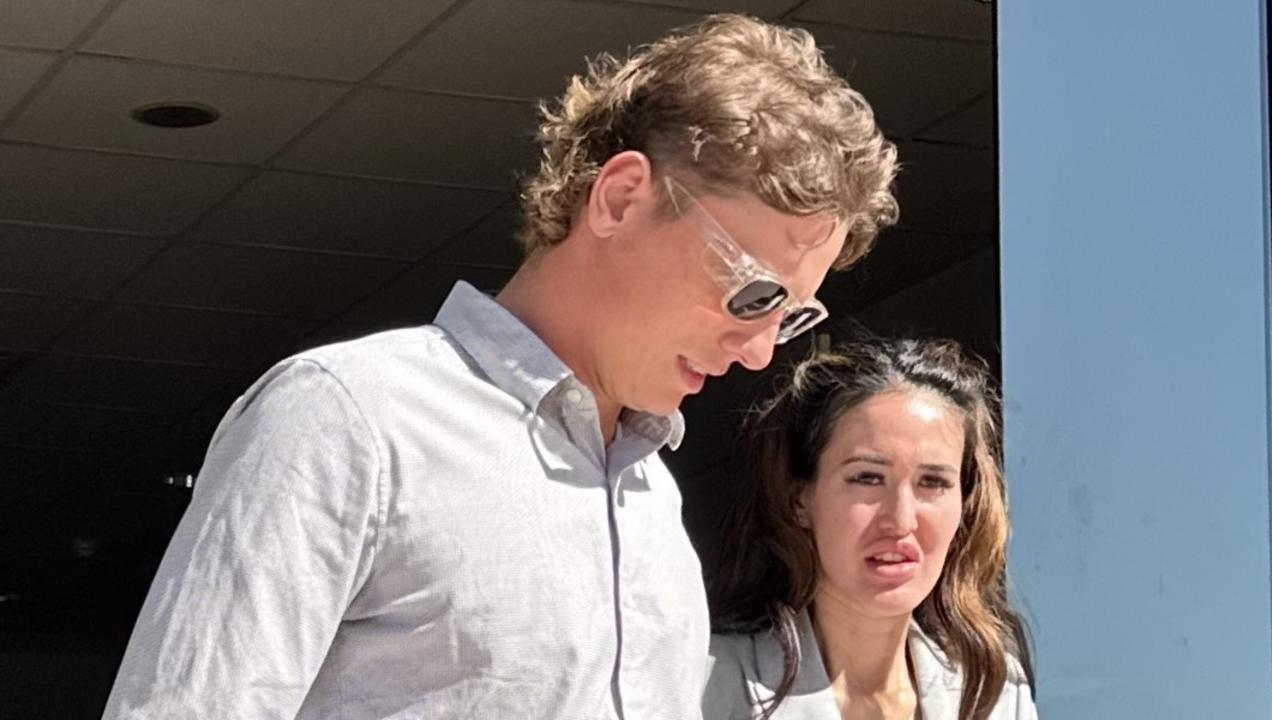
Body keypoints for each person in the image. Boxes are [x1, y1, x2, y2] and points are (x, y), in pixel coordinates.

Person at [103, 13, 898, 720]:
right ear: (619, 199)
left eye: (788, 315)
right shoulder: (350, 417)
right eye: (751, 291)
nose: (758, 349)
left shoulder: (649, 492)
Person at [703, 338, 1036, 720]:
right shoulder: (710, 685)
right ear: (800, 500)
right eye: (867, 478)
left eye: (933, 482)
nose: (901, 519)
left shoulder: (992, 696)